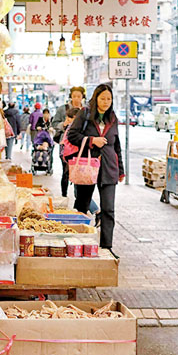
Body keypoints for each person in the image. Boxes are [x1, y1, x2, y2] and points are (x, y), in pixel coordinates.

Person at [66, 83, 124, 251]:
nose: (106, 102)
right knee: (82, 206)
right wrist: (92, 141)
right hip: (87, 167)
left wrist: (120, 170)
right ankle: (77, 243)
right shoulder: (85, 114)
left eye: (109, 99)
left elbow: (117, 145)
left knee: (108, 210)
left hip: (108, 169)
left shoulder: (112, 118)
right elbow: (72, 135)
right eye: (103, 98)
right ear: (96, 98)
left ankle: (107, 247)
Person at [55, 87, 86, 197]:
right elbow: (54, 123)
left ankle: (78, 197)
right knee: (66, 171)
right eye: (74, 96)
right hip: (66, 145)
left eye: (79, 96)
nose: (77, 99)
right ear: (70, 96)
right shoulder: (63, 109)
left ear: (83, 97)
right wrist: (63, 124)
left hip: (81, 145)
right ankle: (64, 195)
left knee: (80, 171)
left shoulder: (86, 110)